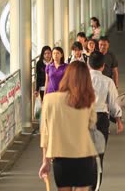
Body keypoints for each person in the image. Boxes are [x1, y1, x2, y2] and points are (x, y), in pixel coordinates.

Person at [38, 61, 98, 191]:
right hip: (85, 156)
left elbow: (45, 133)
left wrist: (45, 161)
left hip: (61, 158)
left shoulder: (49, 99)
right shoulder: (88, 100)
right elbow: (92, 123)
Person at [88, 51, 123, 186]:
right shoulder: (108, 81)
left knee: (83, 154)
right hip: (100, 119)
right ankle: (94, 187)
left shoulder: (82, 79)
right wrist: (119, 120)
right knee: (98, 156)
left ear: (88, 64)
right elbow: (114, 103)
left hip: (82, 119)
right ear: (103, 66)